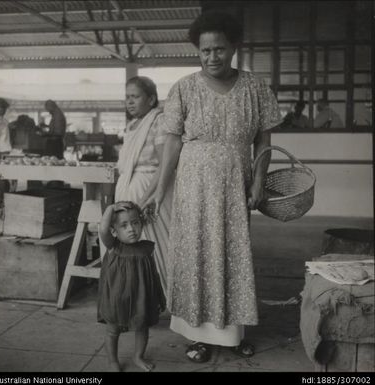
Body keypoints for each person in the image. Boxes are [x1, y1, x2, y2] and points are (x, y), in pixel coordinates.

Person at [143, 10, 283, 363]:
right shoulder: (184, 88)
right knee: (195, 255)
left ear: (234, 46)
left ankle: (233, 335)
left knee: (232, 254)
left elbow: (263, 140)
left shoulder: (256, 87)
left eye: (219, 49)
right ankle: (197, 336)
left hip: (235, 183)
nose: (212, 57)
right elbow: (172, 142)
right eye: (205, 51)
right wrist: (160, 191)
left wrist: (259, 180)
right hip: (193, 185)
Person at [114, 76, 173, 295]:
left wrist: (146, 198)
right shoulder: (131, 125)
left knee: (155, 244)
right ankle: (140, 298)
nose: (129, 102)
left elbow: (165, 163)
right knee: (131, 244)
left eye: (135, 97)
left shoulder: (159, 120)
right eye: (127, 97)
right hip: (128, 187)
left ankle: (166, 296)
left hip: (151, 189)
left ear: (151, 99)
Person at [97, 201, 165, 372]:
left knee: (142, 327)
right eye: (124, 225)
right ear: (114, 231)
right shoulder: (113, 246)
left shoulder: (146, 249)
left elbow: (153, 275)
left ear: (141, 224)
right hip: (117, 298)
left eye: (135, 223)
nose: (131, 229)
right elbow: (103, 230)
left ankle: (138, 356)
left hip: (141, 297)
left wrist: (158, 296)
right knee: (113, 330)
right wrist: (110, 209)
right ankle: (113, 361)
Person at [0, 97, 12, 209]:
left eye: (2, 114)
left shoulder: (3, 123)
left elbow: (4, 149)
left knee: (1, 182)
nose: (0, 117)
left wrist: (3, 172)